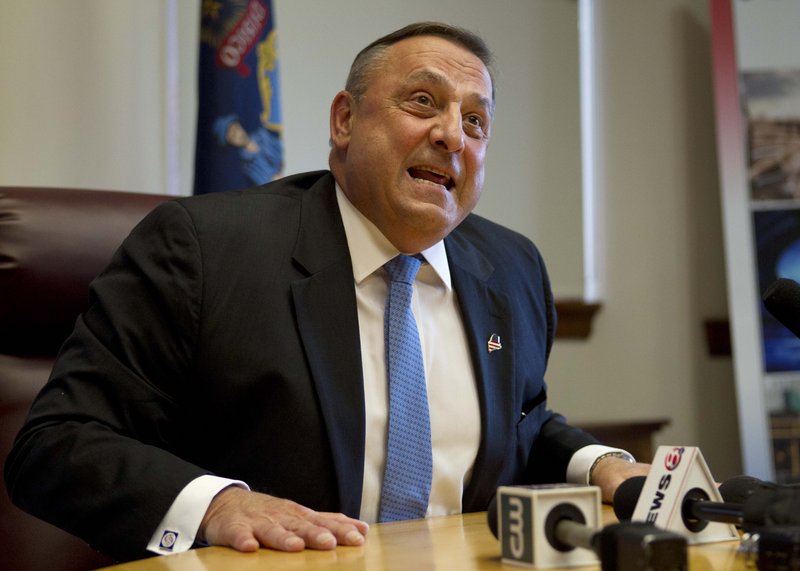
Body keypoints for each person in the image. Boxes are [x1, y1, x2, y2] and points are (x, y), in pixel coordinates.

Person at [5, 22, 649, 563]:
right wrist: (219, 505)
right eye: (424, 102)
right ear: (345, 119)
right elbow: (57, 444)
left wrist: (602, 465)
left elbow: (523, 424)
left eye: (476, 121)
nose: (453, 134)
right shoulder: (204, 249)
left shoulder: (509, 268)